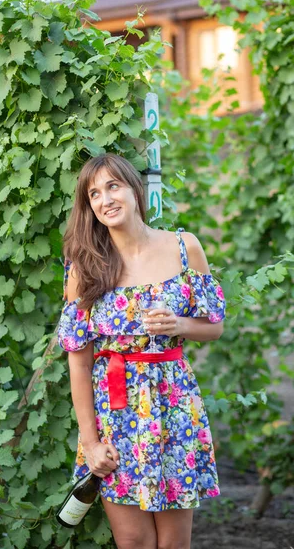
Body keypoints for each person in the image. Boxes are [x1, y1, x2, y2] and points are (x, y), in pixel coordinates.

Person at [58, 153, 226, 549]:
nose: (105, 199)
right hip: (115, 415)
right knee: (133, 541)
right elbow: (78, 362)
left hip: (173, 406)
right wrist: (91, 442)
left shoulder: (184, 247)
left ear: (134, 189)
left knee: (172, 543)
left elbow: (214, 326)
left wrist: (179, 325)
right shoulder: (86, 266)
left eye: (113, 186)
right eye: (93, 194)